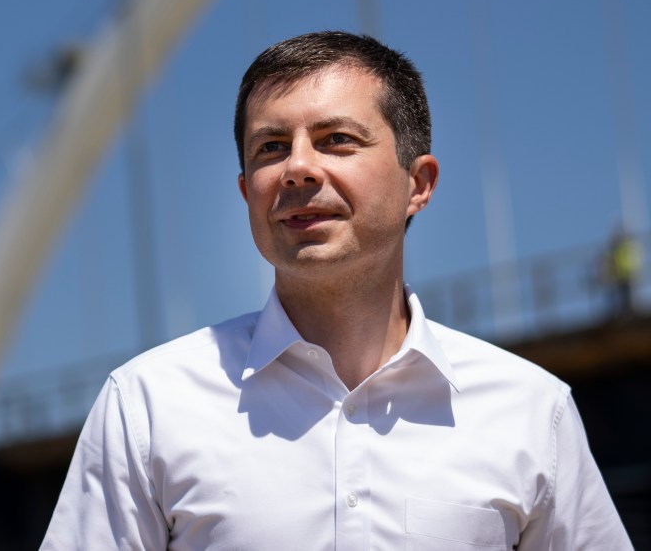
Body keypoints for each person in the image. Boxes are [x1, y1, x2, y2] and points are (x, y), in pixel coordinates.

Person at [41, 31, 631, 550]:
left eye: (337, 140)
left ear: (418, 184)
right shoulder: (147, 406)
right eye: (272, 147)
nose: (298, 168)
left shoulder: (531, 412)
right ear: (249, 193)